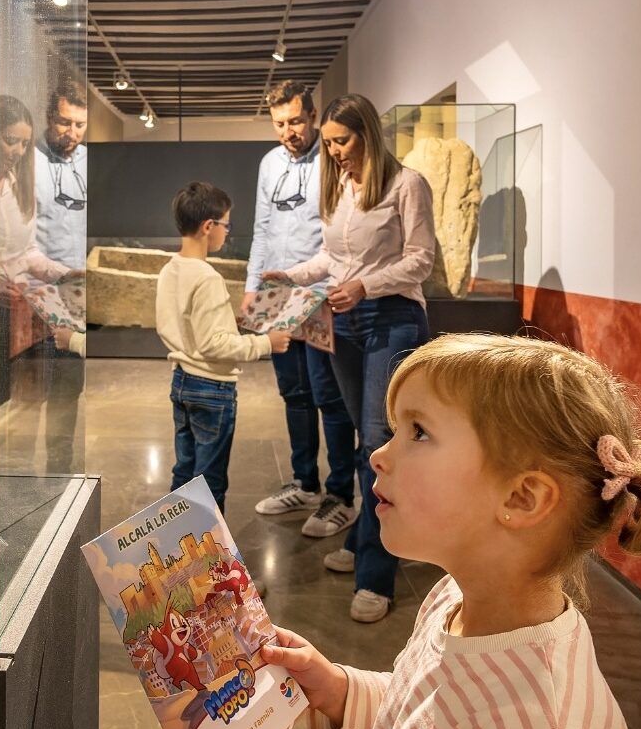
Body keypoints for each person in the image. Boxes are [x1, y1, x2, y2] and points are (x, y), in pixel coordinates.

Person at [262, 334, 641, 729]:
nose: (378, 455)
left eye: (419, 432)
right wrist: (339, 692)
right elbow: (424, 710)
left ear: (522, 498)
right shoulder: (454, 596)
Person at [264, 93, 434, 623]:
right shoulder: (338, 186)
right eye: (331, 142)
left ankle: (376, 577)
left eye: (343, 140)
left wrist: (365, 286)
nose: (334, 150)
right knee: (364, 438)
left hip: (393, 318)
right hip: (344, 318)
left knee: (380, 442)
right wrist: (292, 276)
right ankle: (366, 537)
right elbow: (331, 258)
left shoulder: (407, 184)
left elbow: (421, 260)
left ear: (369, 133)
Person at [246, 81, 360, 538]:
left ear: (311, 115)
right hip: (277, 293)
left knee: (328, 397)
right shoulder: (270, 163)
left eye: (294, 121)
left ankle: (340, 495)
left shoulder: (331, 160)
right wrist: (252, 286)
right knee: (293, 394)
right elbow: (262, 227)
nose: (288, 131)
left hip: (319, 295)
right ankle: (305, 484)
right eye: (279, 124)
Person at [156, 182, 291, 511]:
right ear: (208, 226)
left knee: (184, 474)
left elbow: (182, 329)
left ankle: (175, 553)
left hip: (181, 380)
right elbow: (214, 344)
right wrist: (265, 343)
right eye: (226, 225)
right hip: (212, 389)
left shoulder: (169, 270)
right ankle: (206, 560)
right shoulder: (207, 278)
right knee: (209, 483)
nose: (227, 233)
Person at [19, 86, 90, 473]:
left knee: (67, 393)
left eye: (80, 124)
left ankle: (58, 480)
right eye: (65, 122)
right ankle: (19, 482)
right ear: (49, 117)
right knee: (28, 399)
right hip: (34, 296)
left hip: (76, 298)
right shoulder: (28, 162)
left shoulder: (88, 161)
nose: (72, 132)